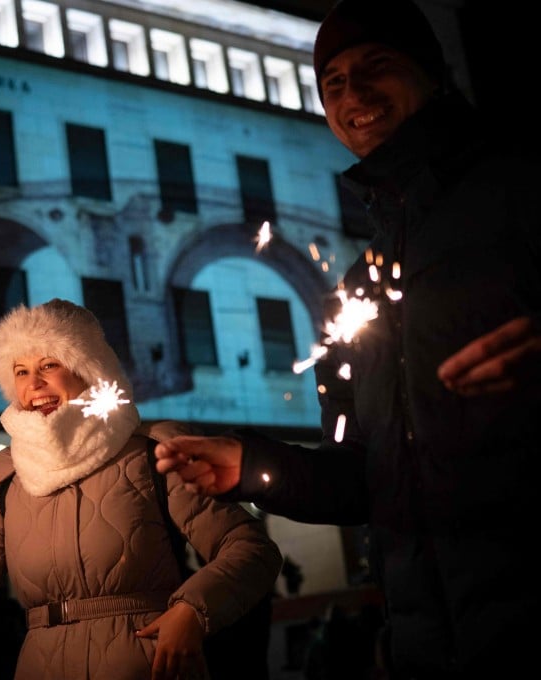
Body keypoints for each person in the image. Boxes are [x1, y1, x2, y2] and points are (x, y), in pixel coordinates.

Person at [153, 1, 541, 678]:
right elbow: (367, 478)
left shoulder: (519, 189)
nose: (353, 95)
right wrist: (251, 466)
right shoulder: (359, 285)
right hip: (431, 646)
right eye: (332, 83)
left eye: (377, 67)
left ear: (434, 74)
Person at [0, 298, 283, 680]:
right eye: (20, 371)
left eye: (48, 365)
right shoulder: (6, 475)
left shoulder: (154, 453)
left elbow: (250, 551)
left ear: (87, 368)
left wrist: (192, 611)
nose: (33, 384)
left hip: (147, 665)